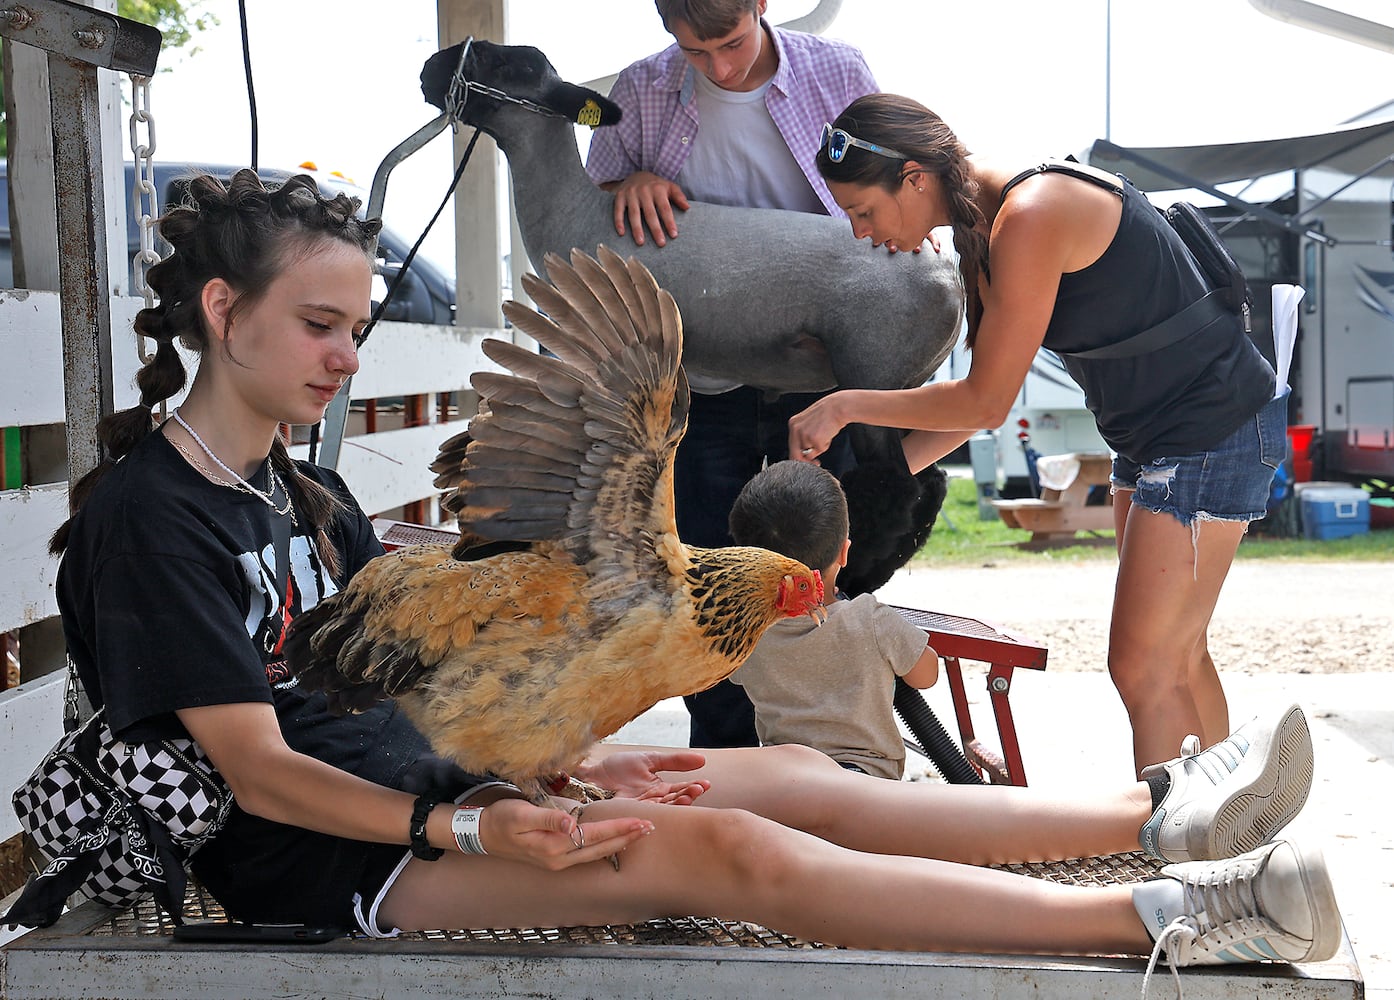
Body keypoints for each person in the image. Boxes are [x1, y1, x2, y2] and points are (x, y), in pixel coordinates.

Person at [41, 170, 1340, 981]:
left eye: (354, 331)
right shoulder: (154, 519)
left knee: (788, 772)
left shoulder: (299, 493)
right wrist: (472, 822)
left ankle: (1157, 816)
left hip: (412, 788)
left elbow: (399, 690)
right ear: (222, 312)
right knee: (723, 847)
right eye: (318, 327)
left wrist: (527, 768)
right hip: (321, 863)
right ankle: (1163, 918)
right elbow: (263, 771)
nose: (337, 356)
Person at [788, 95, 1288, 776]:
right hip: (1154, 438)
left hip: (1210, 428)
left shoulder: (1030, 214)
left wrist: (844, 406)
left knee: (1144, 666)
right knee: (1177, 654)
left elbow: (986, 402)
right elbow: (974, 409)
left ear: (913, 178)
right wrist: (861, 491)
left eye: (862, 211)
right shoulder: (989, 223)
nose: (859, 232)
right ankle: (1225, 831)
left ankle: (1180, 860)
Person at [585, 0, 880, 748]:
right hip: (703, 379)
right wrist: (627, 186)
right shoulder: (639, 90)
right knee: (708, 578)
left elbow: (888, 200)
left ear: (762, 5)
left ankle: (827, 753)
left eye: (730, 43)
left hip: (819, 375)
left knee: (824, 564)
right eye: (693, 50)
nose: (717, 67)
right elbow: (587, 212)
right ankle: (723, 763)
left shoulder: (839, 73)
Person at [727, 461, 939, 779]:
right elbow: (926, 675)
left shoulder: (748, 635)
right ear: (844, 553)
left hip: (784, 781)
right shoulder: (871, 620)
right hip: (865, 782)